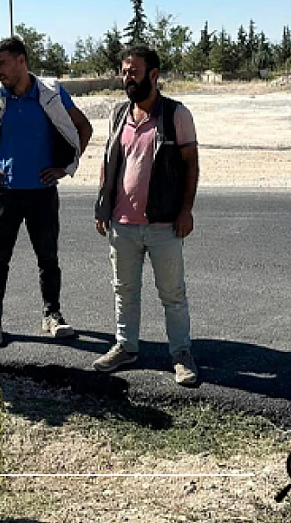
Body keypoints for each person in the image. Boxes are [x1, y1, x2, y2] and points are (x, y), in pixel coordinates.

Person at [0, 36, 93, 347]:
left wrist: (66, 166)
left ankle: (53, 315)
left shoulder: (50, 93)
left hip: (43, 192)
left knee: (48, 257)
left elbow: (84, 127)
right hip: (4, 192)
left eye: (2, 64)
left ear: (21, 61)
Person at [92, 45, 201, 386]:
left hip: (164, 223)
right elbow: (109, 162)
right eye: (124, 72)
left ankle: (181, 355)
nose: (128, 78)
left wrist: (186, 211)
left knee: (173, 294)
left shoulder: (175, 115)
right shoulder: (119, 114)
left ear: (153, 75)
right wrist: (103, 206)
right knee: (124, 290)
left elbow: (191, 165)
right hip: (122, 225)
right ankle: (126, 347)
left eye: (134, 72)